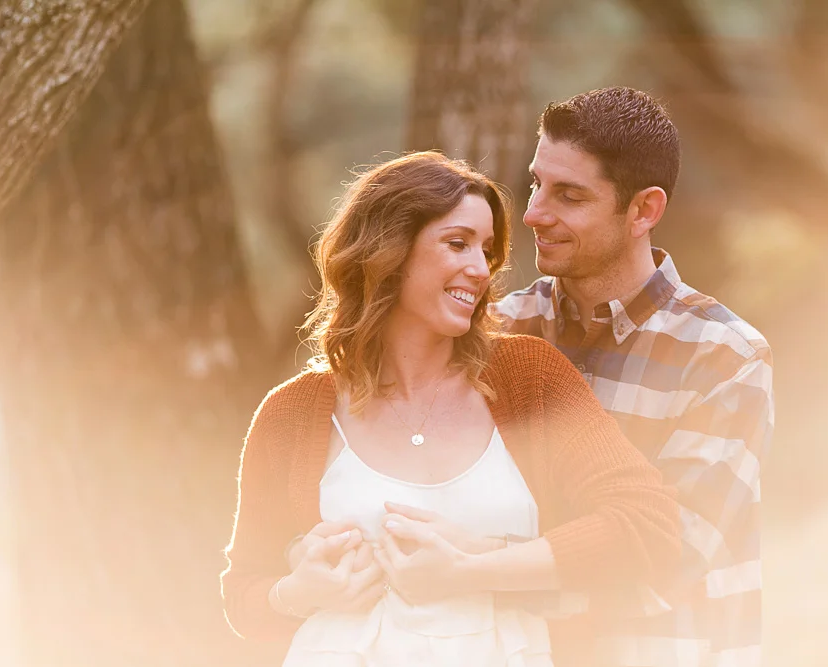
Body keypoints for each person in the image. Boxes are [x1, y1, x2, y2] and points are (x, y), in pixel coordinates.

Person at [220, 151, 682, 667]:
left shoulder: (527, 377)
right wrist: (297, 593)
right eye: (458, 244)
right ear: (388, 251)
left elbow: (649, 524)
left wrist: (472, 569)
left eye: (487, 251)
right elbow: (243, 595)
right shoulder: (292, 413)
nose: (480, 270)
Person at [494, 87, 775, 667]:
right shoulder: (499, 332)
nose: (533, 213)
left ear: (643, 211)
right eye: (536, 184)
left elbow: (674, 553)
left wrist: (475, 578)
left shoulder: (724, 355)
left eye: (569, 196)